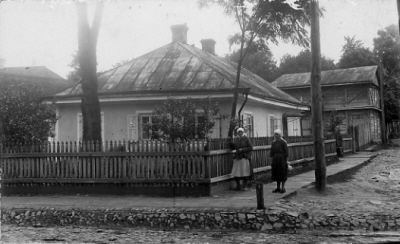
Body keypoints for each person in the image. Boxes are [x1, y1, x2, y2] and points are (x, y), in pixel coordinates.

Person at [270, 129, 289, 193]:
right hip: (275, 159)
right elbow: (272, 153)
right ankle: (278, 187)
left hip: (282, 159)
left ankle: (283, 188)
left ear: (280, 135)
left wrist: (286, 161)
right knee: (276, 173)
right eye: (275, 134)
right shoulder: (274, 143)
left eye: (277, 134)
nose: (276, 135)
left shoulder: (283, 142)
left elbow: (286, 153)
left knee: (282, 173)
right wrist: (272, 160)